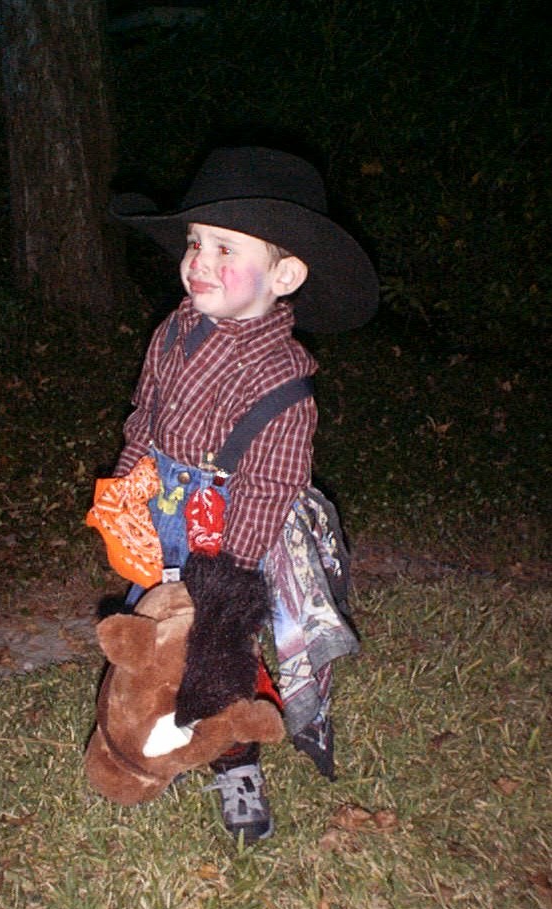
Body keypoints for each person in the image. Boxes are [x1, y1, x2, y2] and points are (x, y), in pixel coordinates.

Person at [108, 146, 378, 843]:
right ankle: (152, 733)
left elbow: (273, 483)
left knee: (220, 656)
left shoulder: (283, 380)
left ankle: (235, 758)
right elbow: (145, 415)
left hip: (233, 537)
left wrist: (222, 576)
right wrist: (128, 485)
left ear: (284, 275)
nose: (199, 259)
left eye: (224, 247)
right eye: (196, 242)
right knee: (157, 634)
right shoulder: (172, 332)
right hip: (164, 512)